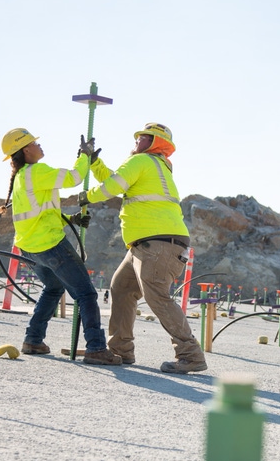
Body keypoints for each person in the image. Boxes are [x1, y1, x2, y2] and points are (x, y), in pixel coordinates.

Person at [78, 122, 206, 374]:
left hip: (156, 243)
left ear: (154, 142)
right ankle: (120, 350)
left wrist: (87, 196)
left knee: (157, 297)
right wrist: (94, 163)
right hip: (148, 244)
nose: (136, 142)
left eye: (142, 138)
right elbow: (117, 181)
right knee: (122, 289)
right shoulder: (153, 166)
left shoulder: (142, 161)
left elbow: (112, 188)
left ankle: (190, 355)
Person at [0, 127, 121, 366]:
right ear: (25, 150)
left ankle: (33, 339)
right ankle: (96, 347)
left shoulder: (23, 178)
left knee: (53, 288)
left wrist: (71, 219)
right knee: (85, 293)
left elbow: (42, 212)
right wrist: (85, 155)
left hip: (30, 248)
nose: (39, 145)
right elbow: (74, 178)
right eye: (35, 143)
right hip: (51, 245)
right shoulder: (36, 171)